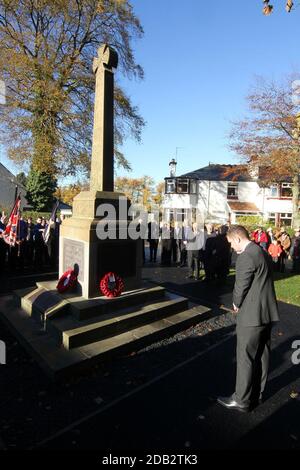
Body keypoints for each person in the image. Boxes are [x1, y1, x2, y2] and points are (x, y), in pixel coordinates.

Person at [217, 225, 279, 413]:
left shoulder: (246, 256)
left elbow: (240, 286)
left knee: (245, 358)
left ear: (237, 238)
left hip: (251, 315)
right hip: (267, 312)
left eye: (231, 243)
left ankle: (242, 399)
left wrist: (236, 303)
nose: (232, 248)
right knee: (261, 356)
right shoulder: (261, 251)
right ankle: (256, 395)